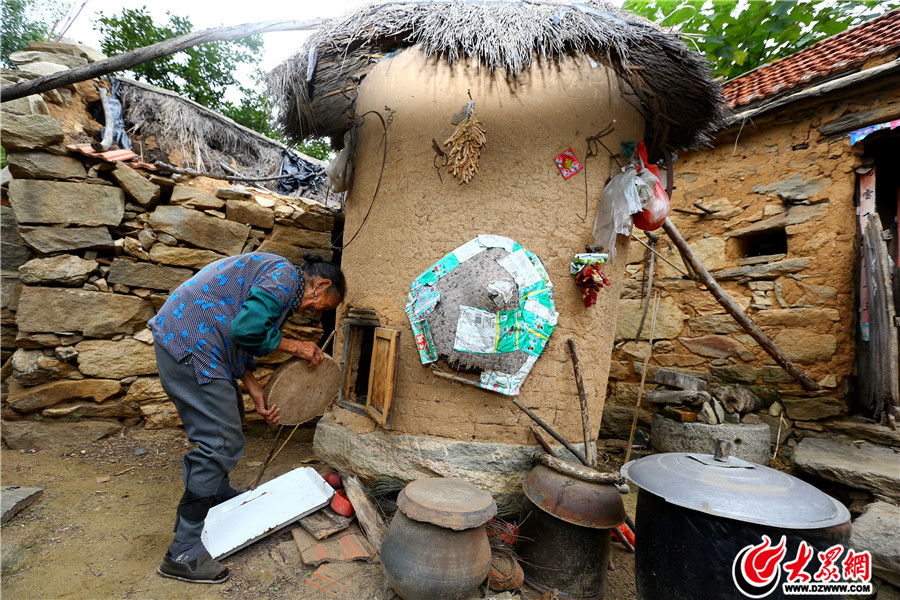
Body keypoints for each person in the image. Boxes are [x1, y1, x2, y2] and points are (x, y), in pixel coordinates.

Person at [148, 251, 346, 584]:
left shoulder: (279, 278)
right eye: (322, 305)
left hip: (194, 342)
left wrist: (255, 391)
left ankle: (213, 493)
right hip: (191, 344)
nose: (315, 312)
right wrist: (297, 347)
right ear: (320, 285)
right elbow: (246, 330)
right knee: (220, 443)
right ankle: (182, 552)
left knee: (229, 420)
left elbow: (234, 334)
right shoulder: (286, 278)